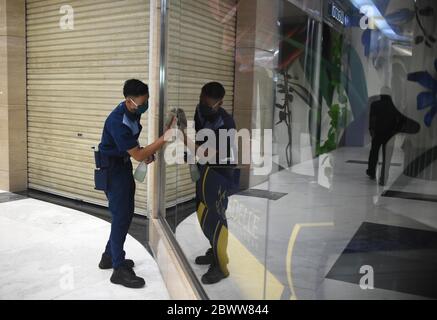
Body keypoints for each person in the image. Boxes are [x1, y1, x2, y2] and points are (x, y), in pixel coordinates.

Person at [95, 79, 174, 288]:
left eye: (146, 101)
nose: (144, 107)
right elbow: (138, 155)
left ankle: (109, 256)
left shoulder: (132, 112)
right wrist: (163, 139)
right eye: (142, 104)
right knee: (122, 215)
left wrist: (142, 152)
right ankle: (118, 268)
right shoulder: (116, 121)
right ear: (128, 101)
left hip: (122, 166)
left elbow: (134, 147)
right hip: (112, 171)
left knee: (124, 214)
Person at [180, 82, 240, 284]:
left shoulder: (226, 123)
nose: (204, 106)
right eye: (202, 101)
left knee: (217, 217)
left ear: (220, 103)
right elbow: (198, 138)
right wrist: (190, 156)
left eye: (209, 104)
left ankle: (221, 266)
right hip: (204, 170)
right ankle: (214, 250)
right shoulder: (200, 110)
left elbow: (208, 152)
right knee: (202, 212)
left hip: (220, 174)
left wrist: (181, 135)